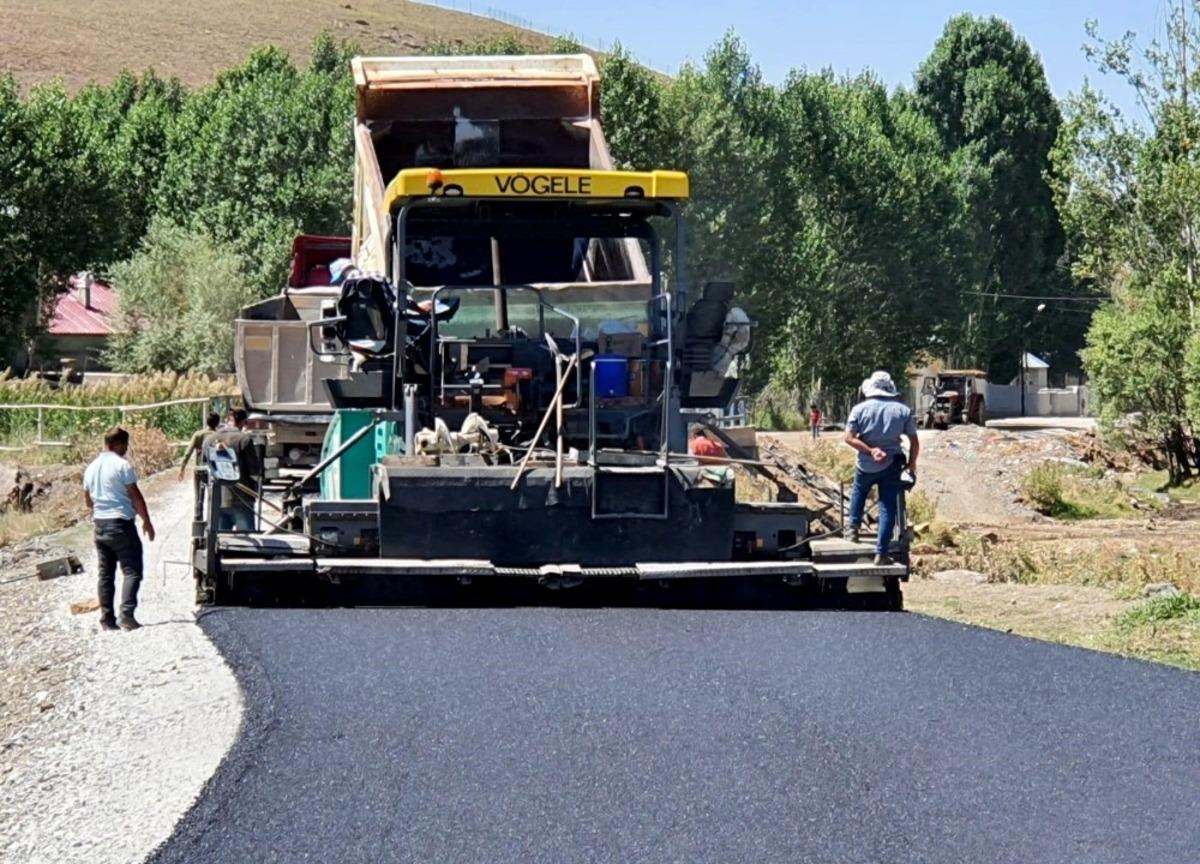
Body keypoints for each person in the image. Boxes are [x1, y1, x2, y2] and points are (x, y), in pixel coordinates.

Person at [843, 370, 919, 566]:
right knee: (887, 508)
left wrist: (870, 450)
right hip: (892, 464)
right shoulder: (902, 410)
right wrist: (911, 464)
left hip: (866, 464)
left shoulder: (859, 410)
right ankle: (881, 553)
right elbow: (914, 441)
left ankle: (852, 529)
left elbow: (849, 438)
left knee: (859, 492)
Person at [83, 427, 155, 631]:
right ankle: (127, 616)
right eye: (125, 445)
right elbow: (135, 495)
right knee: (132, 570)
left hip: (100, 525)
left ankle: (107, 619)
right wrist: (146, 521)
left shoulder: (91, 468)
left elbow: (88, 502)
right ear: (117, 444)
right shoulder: (122, 466)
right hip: (121, 524)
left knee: (105, 574)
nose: (126, 449)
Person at [214, 408, 261, 532]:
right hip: (242, 500)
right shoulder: (244, 439)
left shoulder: (213, 437)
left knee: (220, 543)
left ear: (227, 419)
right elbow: (254, 471)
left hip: (217, 500)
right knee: (245, 545)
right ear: (243, 422)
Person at [178, 411, 220, 481]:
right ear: (218, 423)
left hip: (201, 468)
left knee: (197, 477)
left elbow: (188, 453)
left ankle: (198, 491)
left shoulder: (198, 435)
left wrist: (182, 469)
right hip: (216, 469)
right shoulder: (220, 435)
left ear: (207, 421)